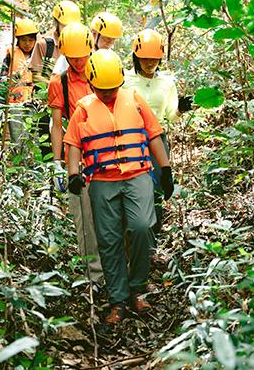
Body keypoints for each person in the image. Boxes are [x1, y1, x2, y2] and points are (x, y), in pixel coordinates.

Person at [64, 49, 175, 326]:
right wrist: (74, 174)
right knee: (109, 240)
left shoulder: (135, 100)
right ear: (91, 84)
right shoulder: (83, 109)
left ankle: (137, 288)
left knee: (141, 227)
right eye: (102, 89)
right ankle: (118, 299)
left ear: (121, 82)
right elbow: (73, 144)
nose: (108, 93)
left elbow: (154, 135)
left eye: (112, 88)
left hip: (137, 175)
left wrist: (166, 170)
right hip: (102, 182)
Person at [47, 22, 104, 286]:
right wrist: (57, 164)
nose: (78, 61)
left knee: (114, 216)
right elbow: (57, 125)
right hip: (77, 159)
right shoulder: (60, 83)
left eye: (82, 55)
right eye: (72, 57)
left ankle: (118, 268)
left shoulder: (104, 72)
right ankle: (95, 277)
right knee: (85, 220)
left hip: (107, 156)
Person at [123, 28, 192, 237]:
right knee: (132, 187)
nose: (150, 62)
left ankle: (152, 238)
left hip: (157, 140)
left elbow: (170, 115)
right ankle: (130, 234)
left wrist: (180, 109)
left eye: (154, 58)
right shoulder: (125, 79)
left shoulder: (167, 83)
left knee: (158, 188)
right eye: (145, 58)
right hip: (130, 138)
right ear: (136, 57)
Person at [29, 0, 82, 158]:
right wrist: (58, 86)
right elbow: (36, 75)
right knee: (50, 149)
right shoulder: (45, 44)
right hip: (49, 103)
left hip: (73, 104)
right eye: (64, 25)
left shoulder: (80, 43)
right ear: (56, 23)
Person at [2, 17, 39, 145]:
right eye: (24, 40)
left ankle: (32, 163)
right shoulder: (11, 53)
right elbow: (3, 76)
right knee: (17, 137)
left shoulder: (39, 54)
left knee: (33, 137)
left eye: (30, 40)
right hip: (15, 102)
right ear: (18, 40)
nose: (27, 43)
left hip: (34, 101)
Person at [52, 10, 123, 75]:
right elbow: (57, 75)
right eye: (106, 39)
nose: (110, 43)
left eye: (113, 40)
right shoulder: (75, 50)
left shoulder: (111, 58)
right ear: (94, 34)